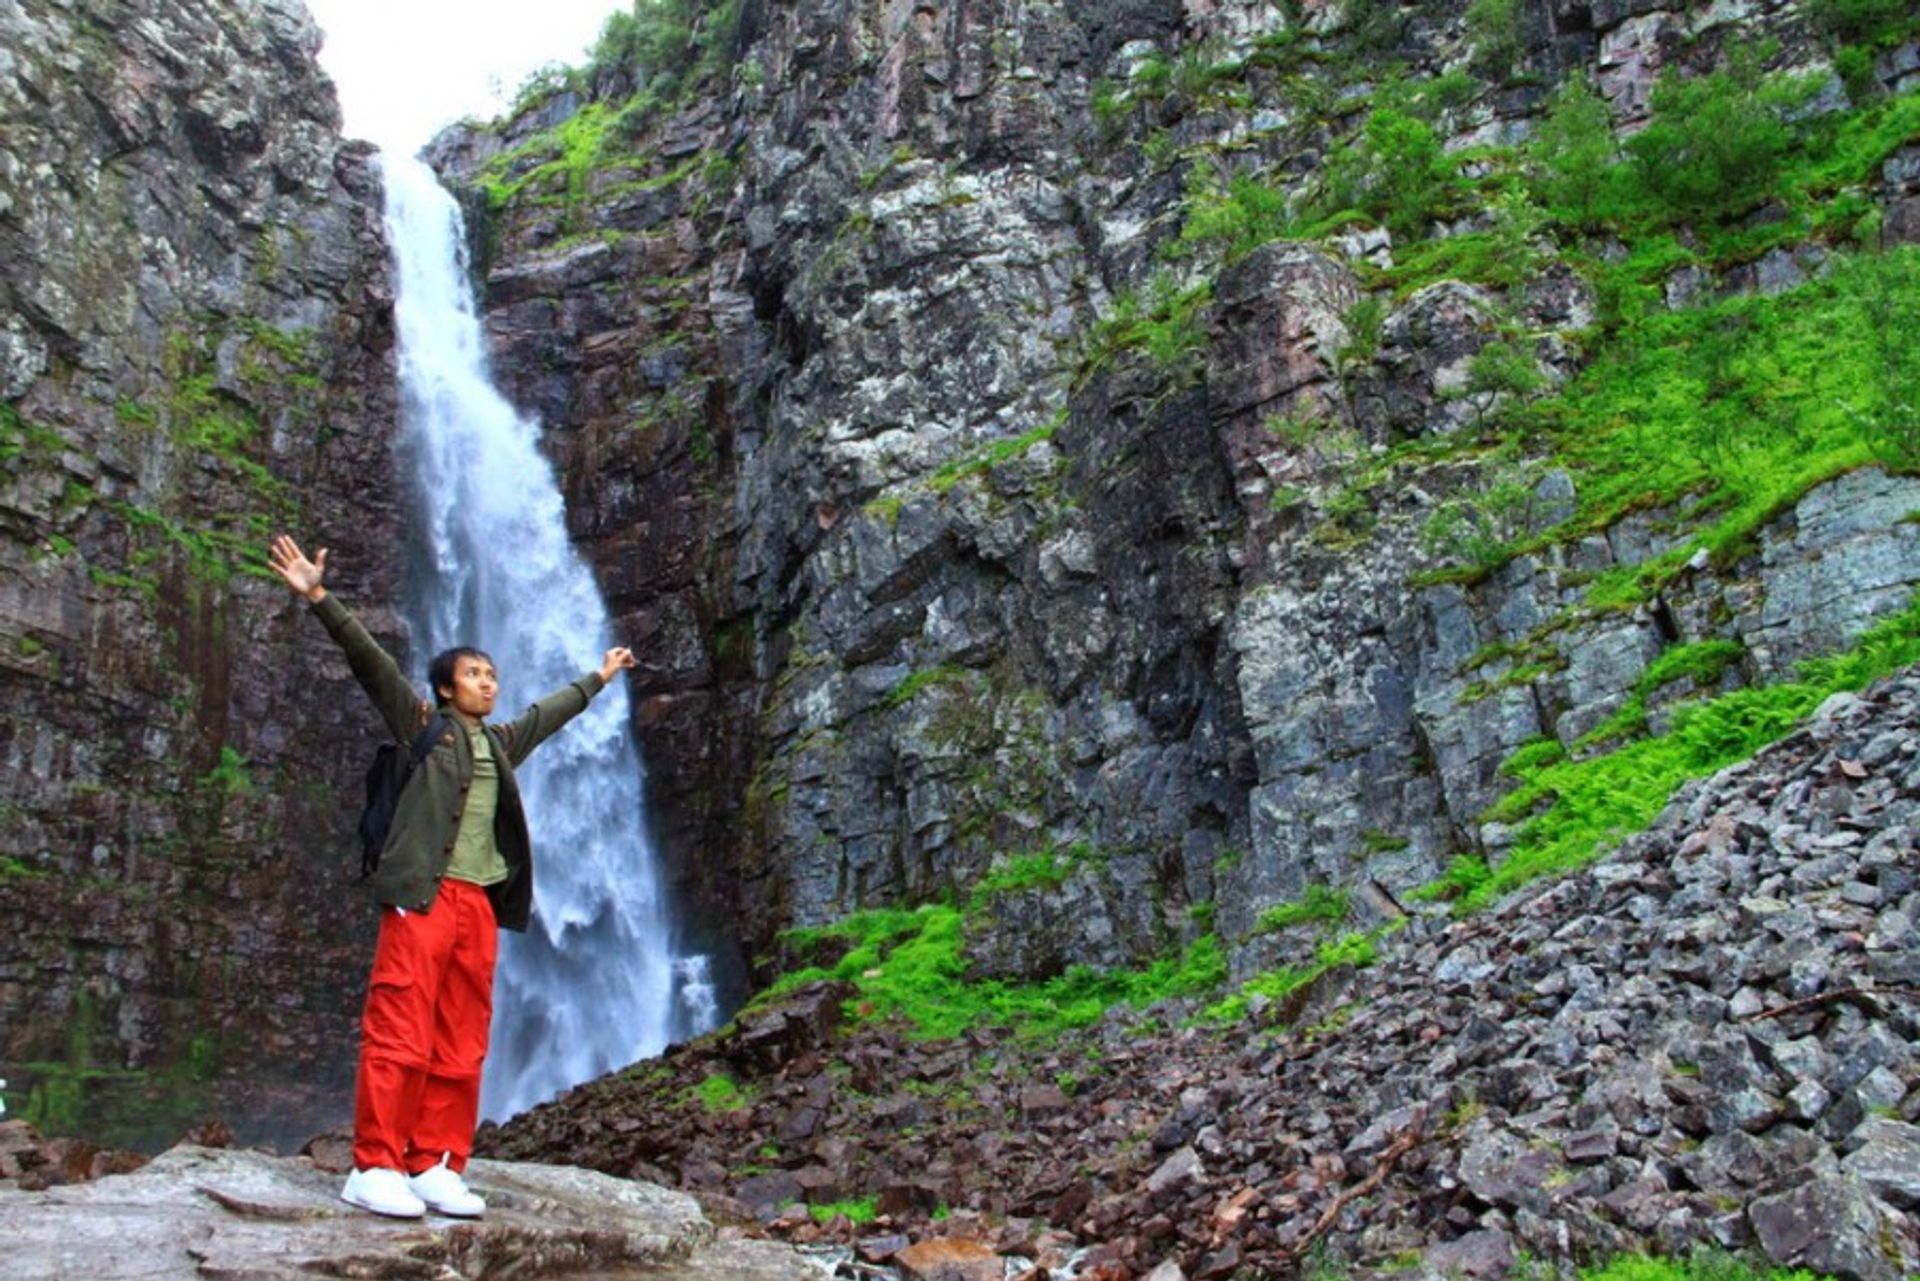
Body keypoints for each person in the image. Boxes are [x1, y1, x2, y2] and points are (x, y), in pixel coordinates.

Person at [268, 534, 637, 1220]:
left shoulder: (500, 743)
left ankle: (436, 1162)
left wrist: (600, 676)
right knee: (399, 1027)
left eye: (492, 674)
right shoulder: (422, 728)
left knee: (462, 1038)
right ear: (445, 687)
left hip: (478, 903)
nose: (488, 682)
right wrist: (320, 598)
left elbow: (546, 716)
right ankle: (375, 1163)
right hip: (422, 896)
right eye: (473, 674)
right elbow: (370, 663)